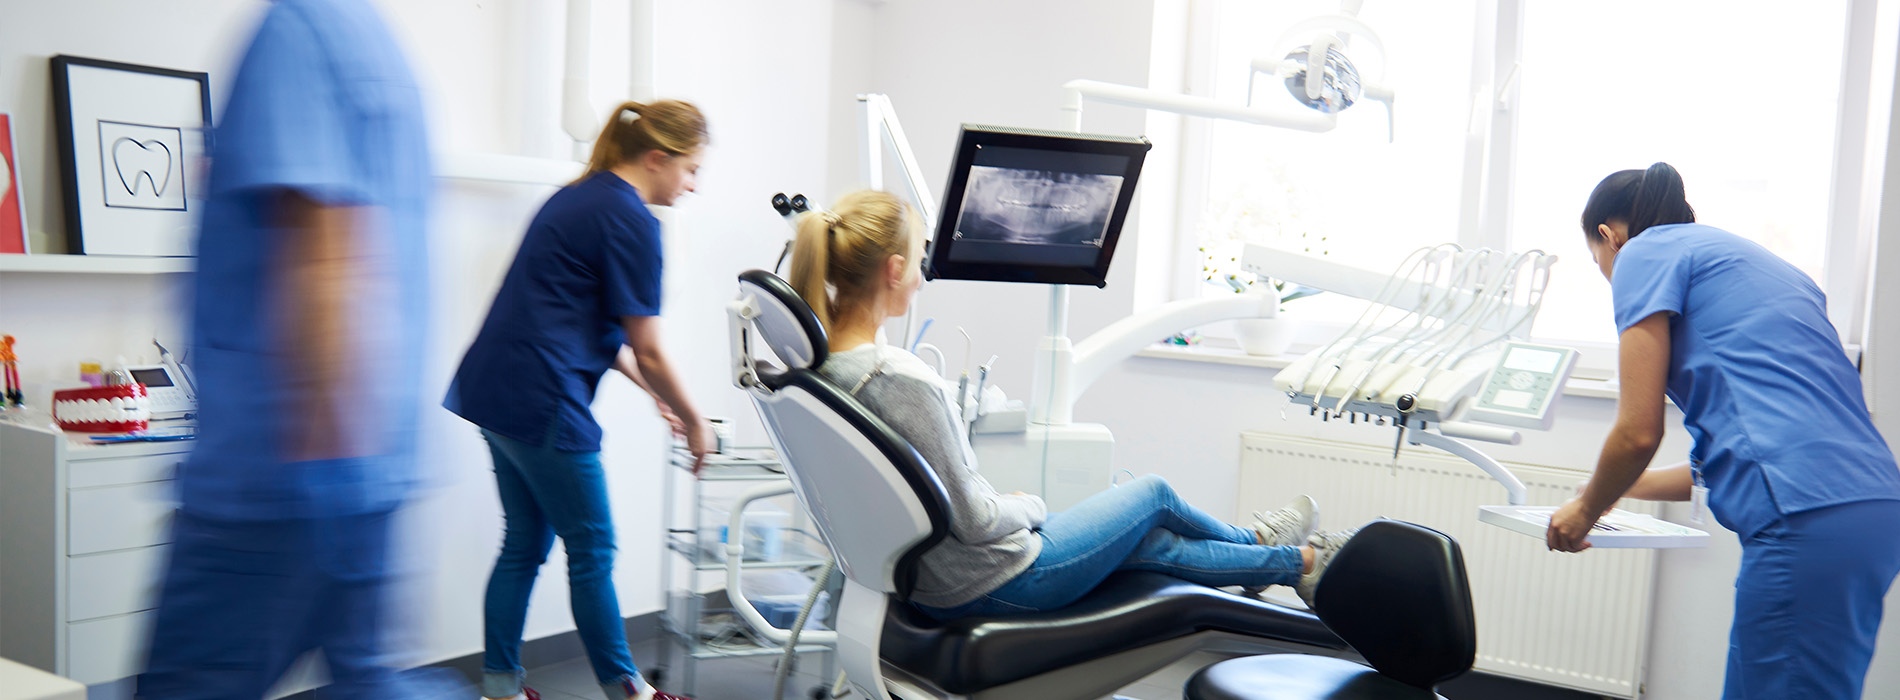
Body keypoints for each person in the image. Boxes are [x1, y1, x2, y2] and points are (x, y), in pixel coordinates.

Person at [787, 190, 1358, 619]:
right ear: (892, 270)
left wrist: (1001, 507)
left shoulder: (823, 371)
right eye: (915, 261)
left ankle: (1295, 562)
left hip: (940, 573)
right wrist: (1029, 505)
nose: (920, 277)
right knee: (1153, 494)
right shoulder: (899, 378)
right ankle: (1266, 545)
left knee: (1151, 541)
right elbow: (979, 519)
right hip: (996, 578)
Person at [137, 0, 448, 698]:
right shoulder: (374, 42)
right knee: (367, 681)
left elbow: (327, 254)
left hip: (276, 478)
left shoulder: (295, 31)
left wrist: (323, 477)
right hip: (364, 464)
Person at [1547, 162, 1900, 699]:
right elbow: (1739, 455)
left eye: (1598, 262)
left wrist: (1584, 513)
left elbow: (1637, 432)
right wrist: (1619, 490)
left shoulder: (1642, 252)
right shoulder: (1765, 267)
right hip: (1870, 509)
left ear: (1607, 236)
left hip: (1800, 515)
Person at [444, 100, 711, 700]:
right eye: (691, 169)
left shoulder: (580, 195)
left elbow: (586, 323)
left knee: (524, 543)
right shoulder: (631, 219)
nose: (692, 185)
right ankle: (631, 693)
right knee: (593, 547)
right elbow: (648, 347)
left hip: (494, 391)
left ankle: (500, 687)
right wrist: (696, 421)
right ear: (657, 158)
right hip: (542, 399)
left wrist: (653, 398)